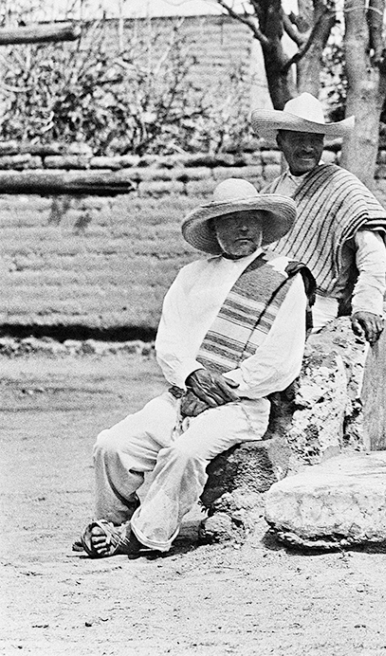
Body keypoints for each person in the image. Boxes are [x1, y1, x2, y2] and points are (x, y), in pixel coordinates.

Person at [78, 179, 311, 558]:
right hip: (183, 395)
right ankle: (112, 521)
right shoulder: (191, 277)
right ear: (214, 229)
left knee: (184, 452)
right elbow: (169, 343)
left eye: (252, 218)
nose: (243, 228)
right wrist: (191, 378)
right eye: (231, 220)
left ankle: (141, 535)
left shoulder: (284, 278)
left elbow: (279, 361)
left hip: (243, 405)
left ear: (263, 225)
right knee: (112, 445)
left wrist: (220, 389)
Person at [252, 93, 386, 341]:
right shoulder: (270, 193)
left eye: (315, 140)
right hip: (262, 300)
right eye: (298, 138)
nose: (307, 148)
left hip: (315, 305)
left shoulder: (343, 186)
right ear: (280, 141)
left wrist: (367, 306)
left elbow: (373, 253)